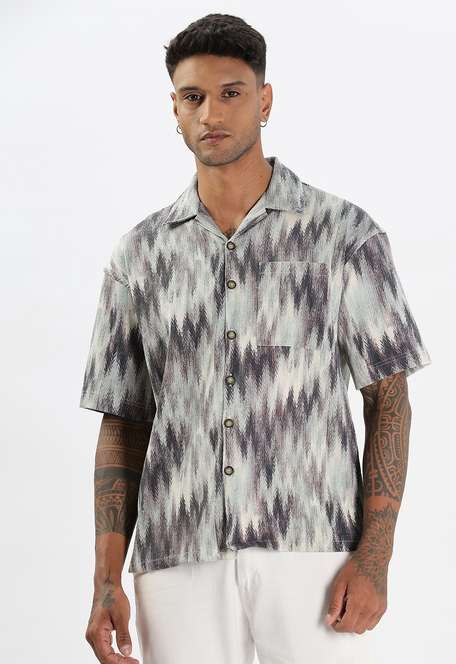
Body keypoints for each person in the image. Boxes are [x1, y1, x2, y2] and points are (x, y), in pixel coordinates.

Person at [80, 13, 432, 664]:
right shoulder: (139, 257)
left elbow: (389, 399)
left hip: (314, 552)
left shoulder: (343, 235)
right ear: (175, 108)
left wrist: (375, 557)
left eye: (231, 93)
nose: (211, 113)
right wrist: (106, 579)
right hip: (176, 554)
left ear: (264, 100)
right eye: (193, 97)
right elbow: (123, 423)